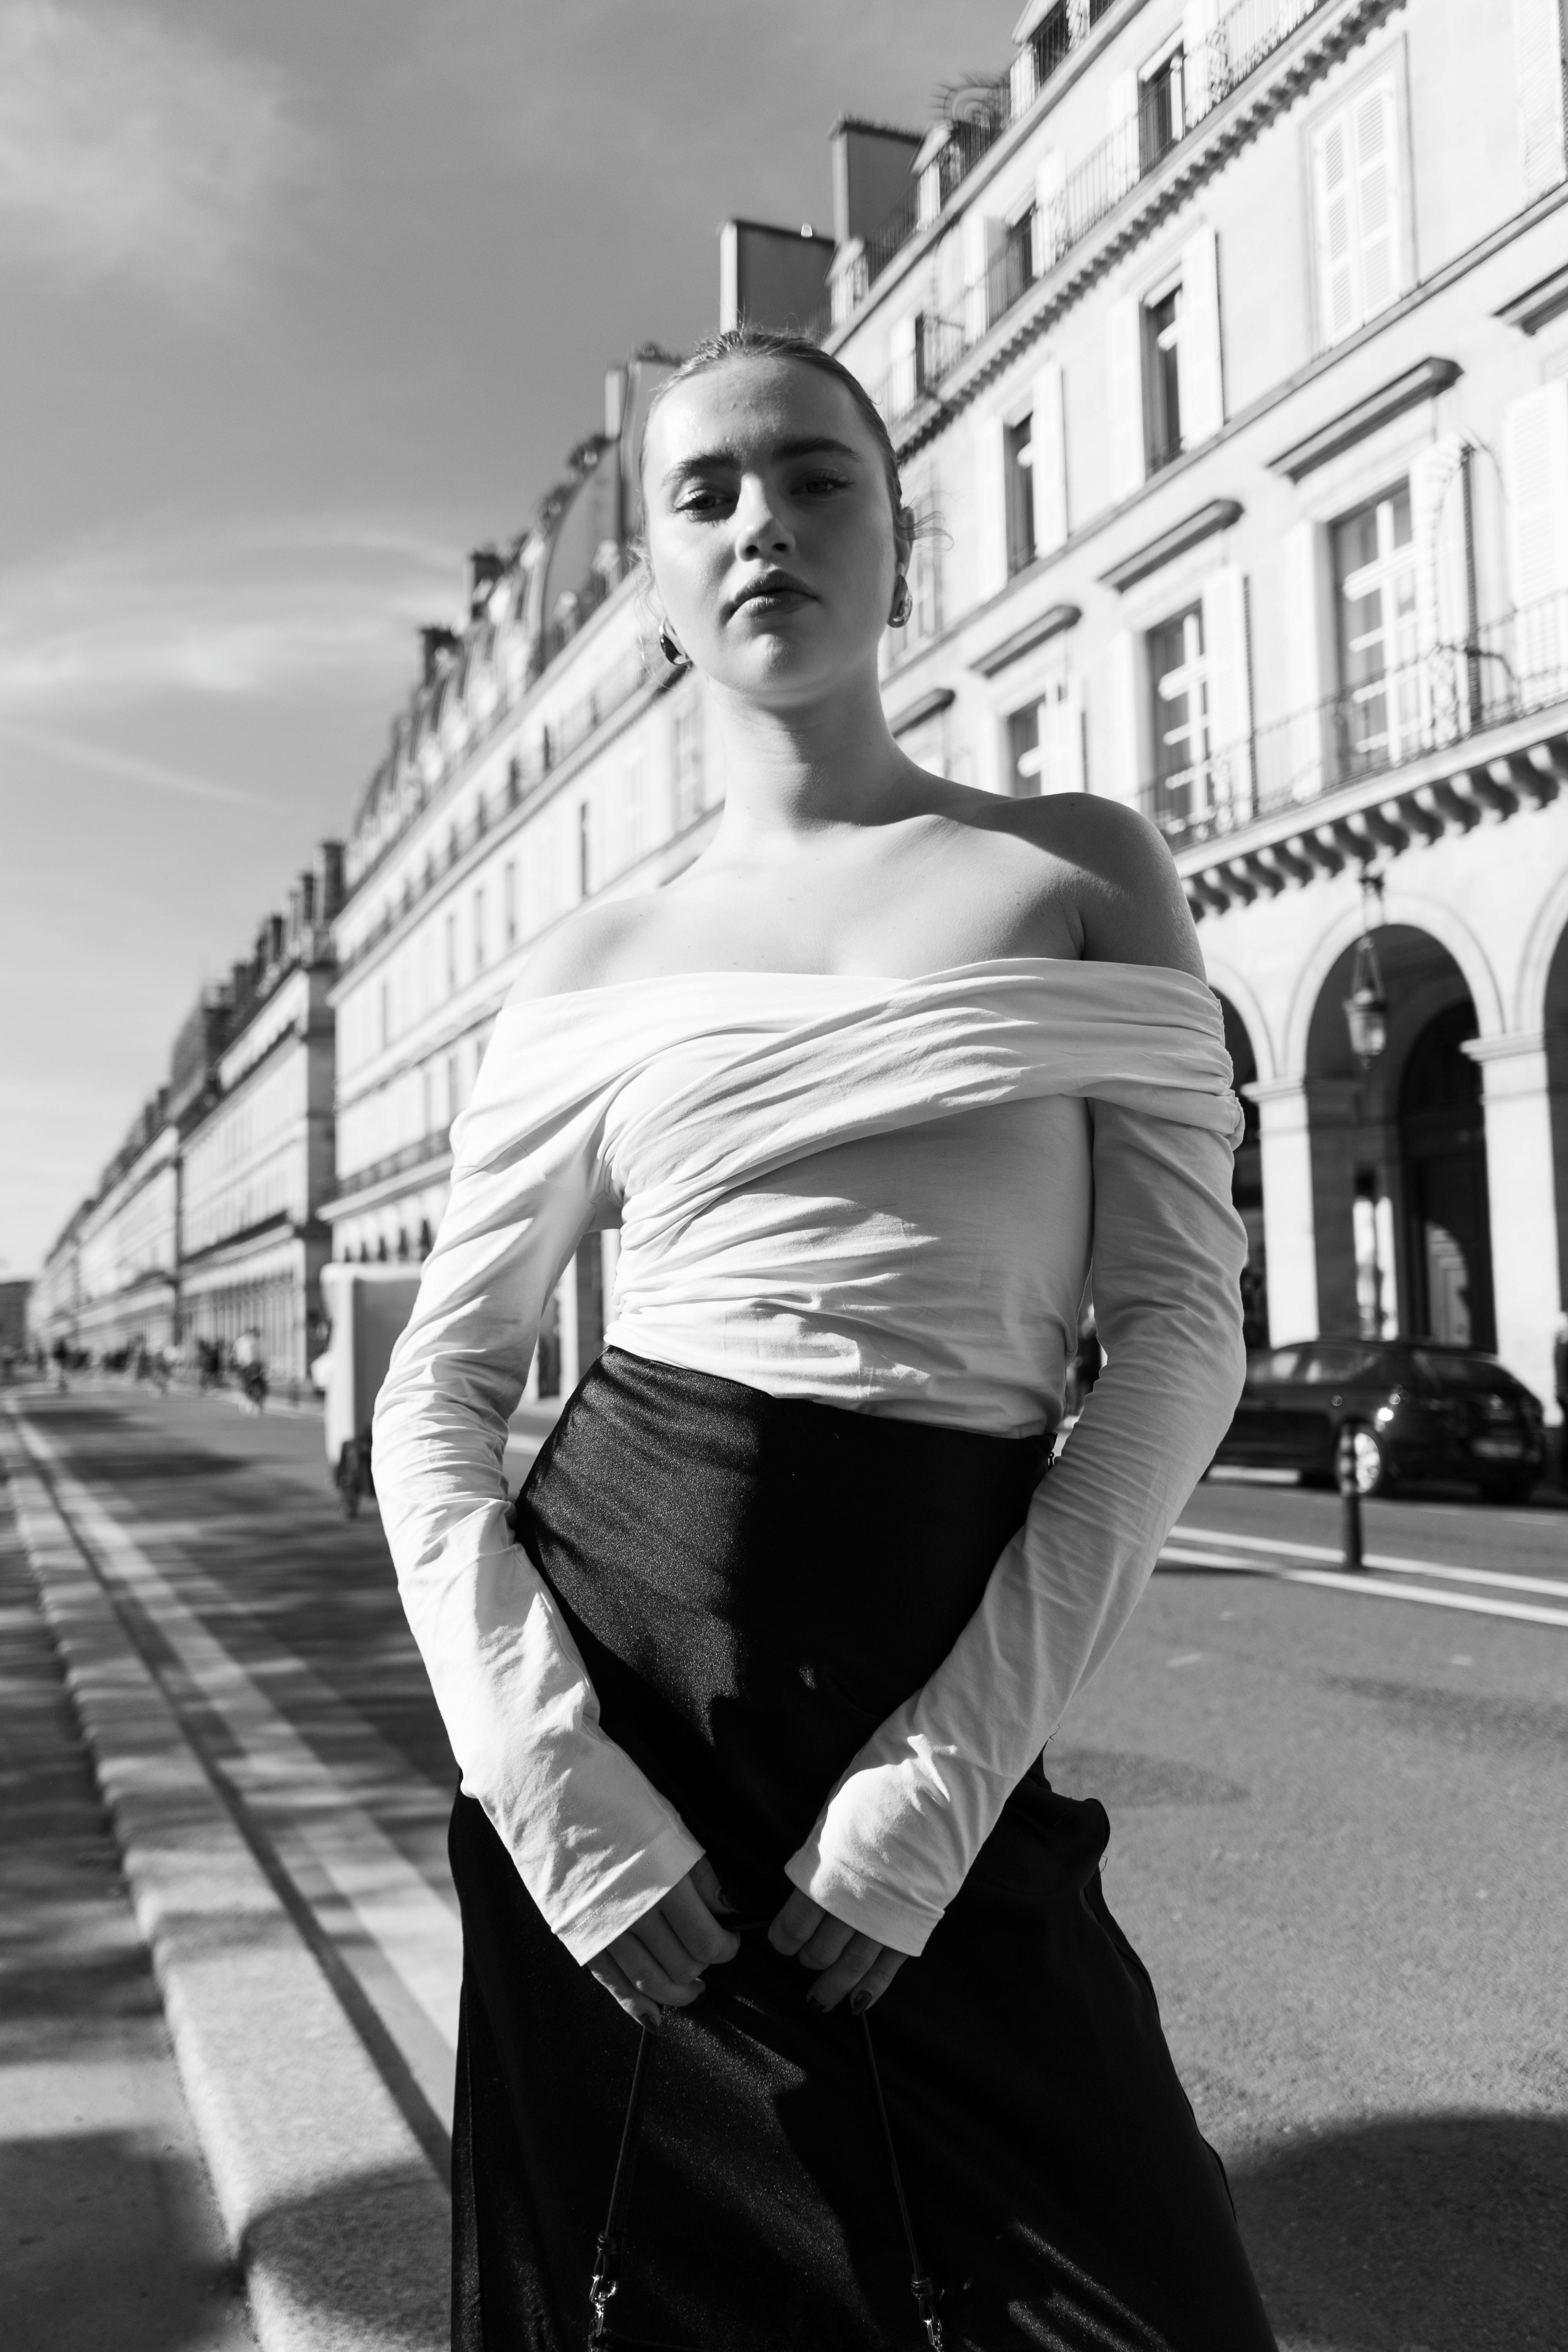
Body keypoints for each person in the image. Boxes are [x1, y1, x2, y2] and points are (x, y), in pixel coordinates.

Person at [375, 327, 1276, 2352]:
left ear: (901, 540)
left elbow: (1179, 1335)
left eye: (815, 477)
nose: (761, 521)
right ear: (656, 596)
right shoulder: (591, 962)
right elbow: (437, 1388)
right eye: (703, 494)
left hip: (935, 1686)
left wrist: (944, 1785)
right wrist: (547, 1781)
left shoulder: (1075, 867)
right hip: (627, 1721)